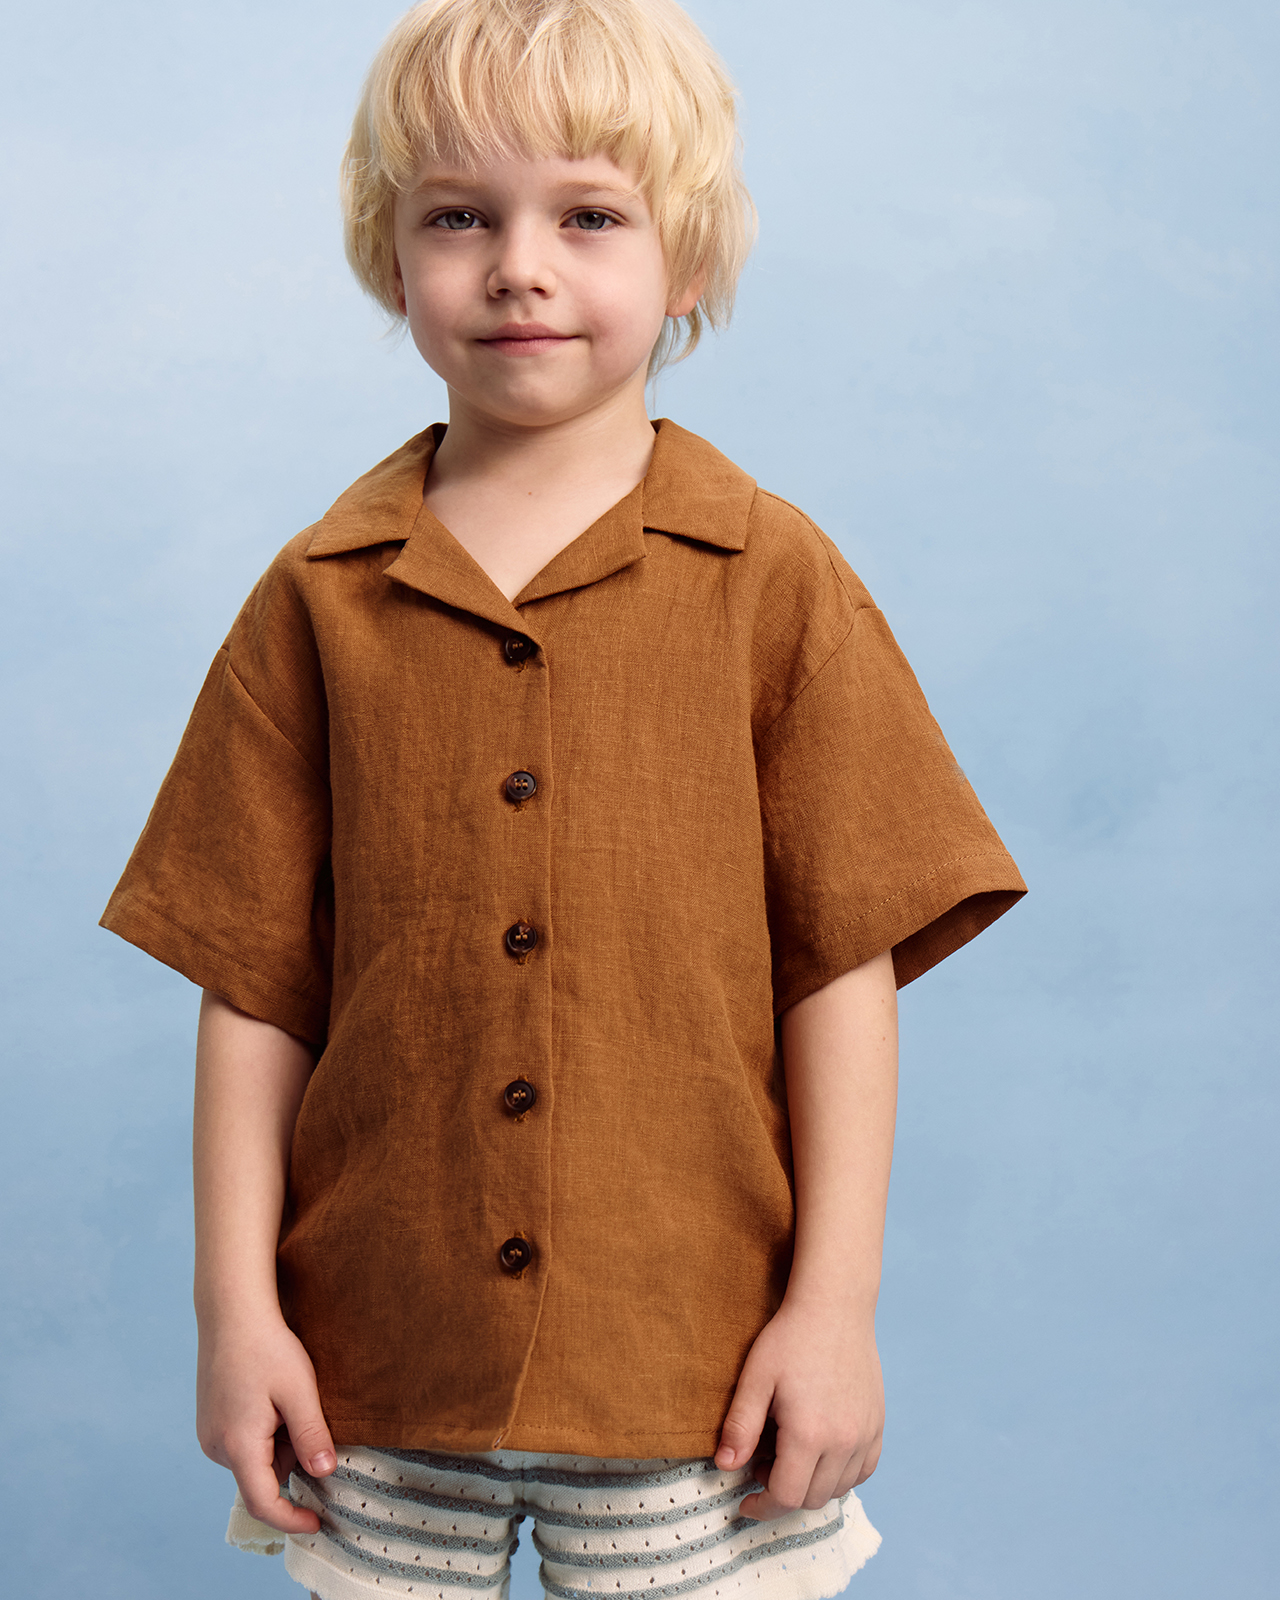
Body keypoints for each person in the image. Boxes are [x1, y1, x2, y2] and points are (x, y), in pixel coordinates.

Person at [101, 2, 1026, 1597]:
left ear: (688, 258)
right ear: (391, 254)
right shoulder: (316, 597)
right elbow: (252, 988)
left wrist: (834, 1310)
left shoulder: (775, 580)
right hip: (376, 1362)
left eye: (589, 217)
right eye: (459, 216)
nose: (518, 267)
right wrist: (234, 1314)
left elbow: (842, 963)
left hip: (695, 1364)